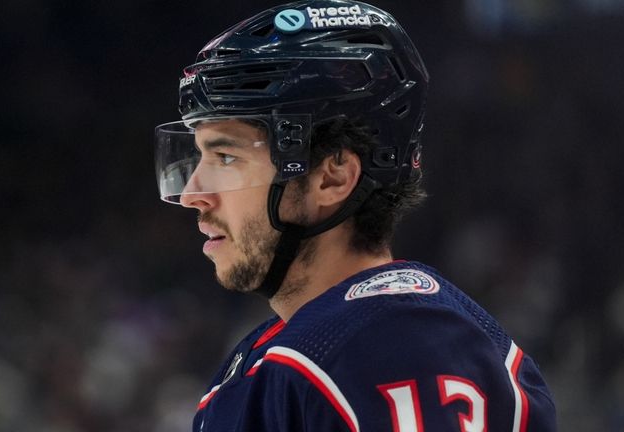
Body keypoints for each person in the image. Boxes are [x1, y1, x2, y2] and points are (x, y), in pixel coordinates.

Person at [154, 1, 557, 430]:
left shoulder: (374, 353)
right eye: (200, 157)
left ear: (332, 177)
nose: (194, 193)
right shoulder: (302, 347)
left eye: (226, 156)